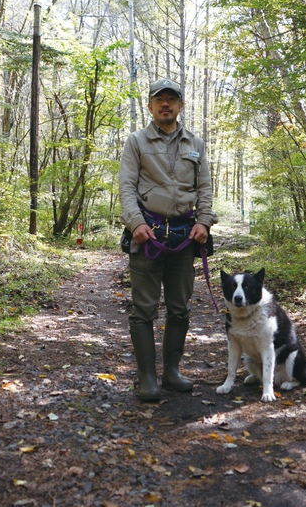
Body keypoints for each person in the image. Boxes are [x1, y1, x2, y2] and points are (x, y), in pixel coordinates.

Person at [119, 78, 217, 401]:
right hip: (147, 234)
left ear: (180, 106)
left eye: (171, 100)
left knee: (180, 308)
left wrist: (204, 222)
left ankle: (171, 372)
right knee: (143, 310)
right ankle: (147, 378)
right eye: (159, 99)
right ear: (150, 106)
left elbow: (204, 189)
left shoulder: (196, 144)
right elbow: (126, 188)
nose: (165, 104)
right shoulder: (136, 142)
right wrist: (135, 224)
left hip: (185, 237)